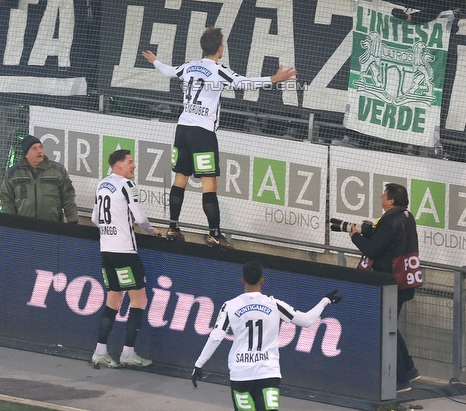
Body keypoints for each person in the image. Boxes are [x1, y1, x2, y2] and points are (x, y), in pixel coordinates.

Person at [141, 27, 297, 247]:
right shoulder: (218, 70)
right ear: (220, 47)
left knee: (180, 179)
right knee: (209, 183)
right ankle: (214, 233)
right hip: (203, 133)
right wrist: (275, 78)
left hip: (182, 129)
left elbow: (169, 71)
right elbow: (244, 83)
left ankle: (173, 227)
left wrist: (155, 60)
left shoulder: (189, 66)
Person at [190, 261, 342, 410]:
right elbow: (307, 321)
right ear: (262, 280)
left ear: (242, 280)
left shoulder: (229, 306)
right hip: (268, 373)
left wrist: (199, 364)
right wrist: (325, 301)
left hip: (241, 374)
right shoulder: (274, 305)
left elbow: (216, 337)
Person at [90, 148, 162, 369]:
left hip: (106, 250)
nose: (134, 165)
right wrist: (152, 231)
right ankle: (128, 353)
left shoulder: (102, 184)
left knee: (113, 301)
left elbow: (94, 218)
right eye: (130, 162)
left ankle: (100, 352)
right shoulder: (126, 185)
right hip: (125, 252)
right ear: (118, 165)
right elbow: (139, 217)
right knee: (139, 300)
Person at [347, 182, 422, 392]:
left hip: (391, 282)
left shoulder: (390, 221)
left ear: (390, 200)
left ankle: (400, 380)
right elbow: (388, 242)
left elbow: (373, 250)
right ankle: (407, 370)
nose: (380, 196)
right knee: (388, 326)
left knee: (385, 328)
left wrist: (356, 236)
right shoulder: (406, 216)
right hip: (404, 281)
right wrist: (374, 230)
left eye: (383, 194)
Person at [0, 135, 79, 222]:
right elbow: (6, 199)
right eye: (34, 148)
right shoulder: (13, 173)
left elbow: (68, 197)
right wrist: (9, 222)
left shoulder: (58, 171)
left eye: (40, 147)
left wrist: (73, 220)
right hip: (22, 227)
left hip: (52, 226)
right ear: (26, 154)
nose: (39, 151)